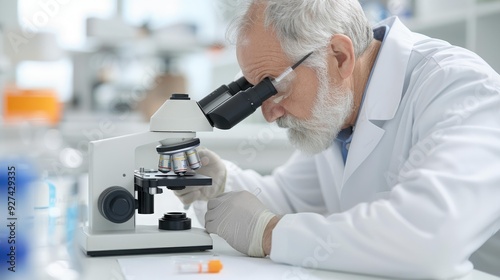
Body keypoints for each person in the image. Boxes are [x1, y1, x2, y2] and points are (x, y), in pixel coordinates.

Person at [174, 0, 500, 278]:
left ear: (339, 55)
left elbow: (431, 238)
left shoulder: (459, 87)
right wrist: (221, 182)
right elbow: (290, 199)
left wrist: (270, 234)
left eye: (271, 87)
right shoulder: (338, 108)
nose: (269, 114)